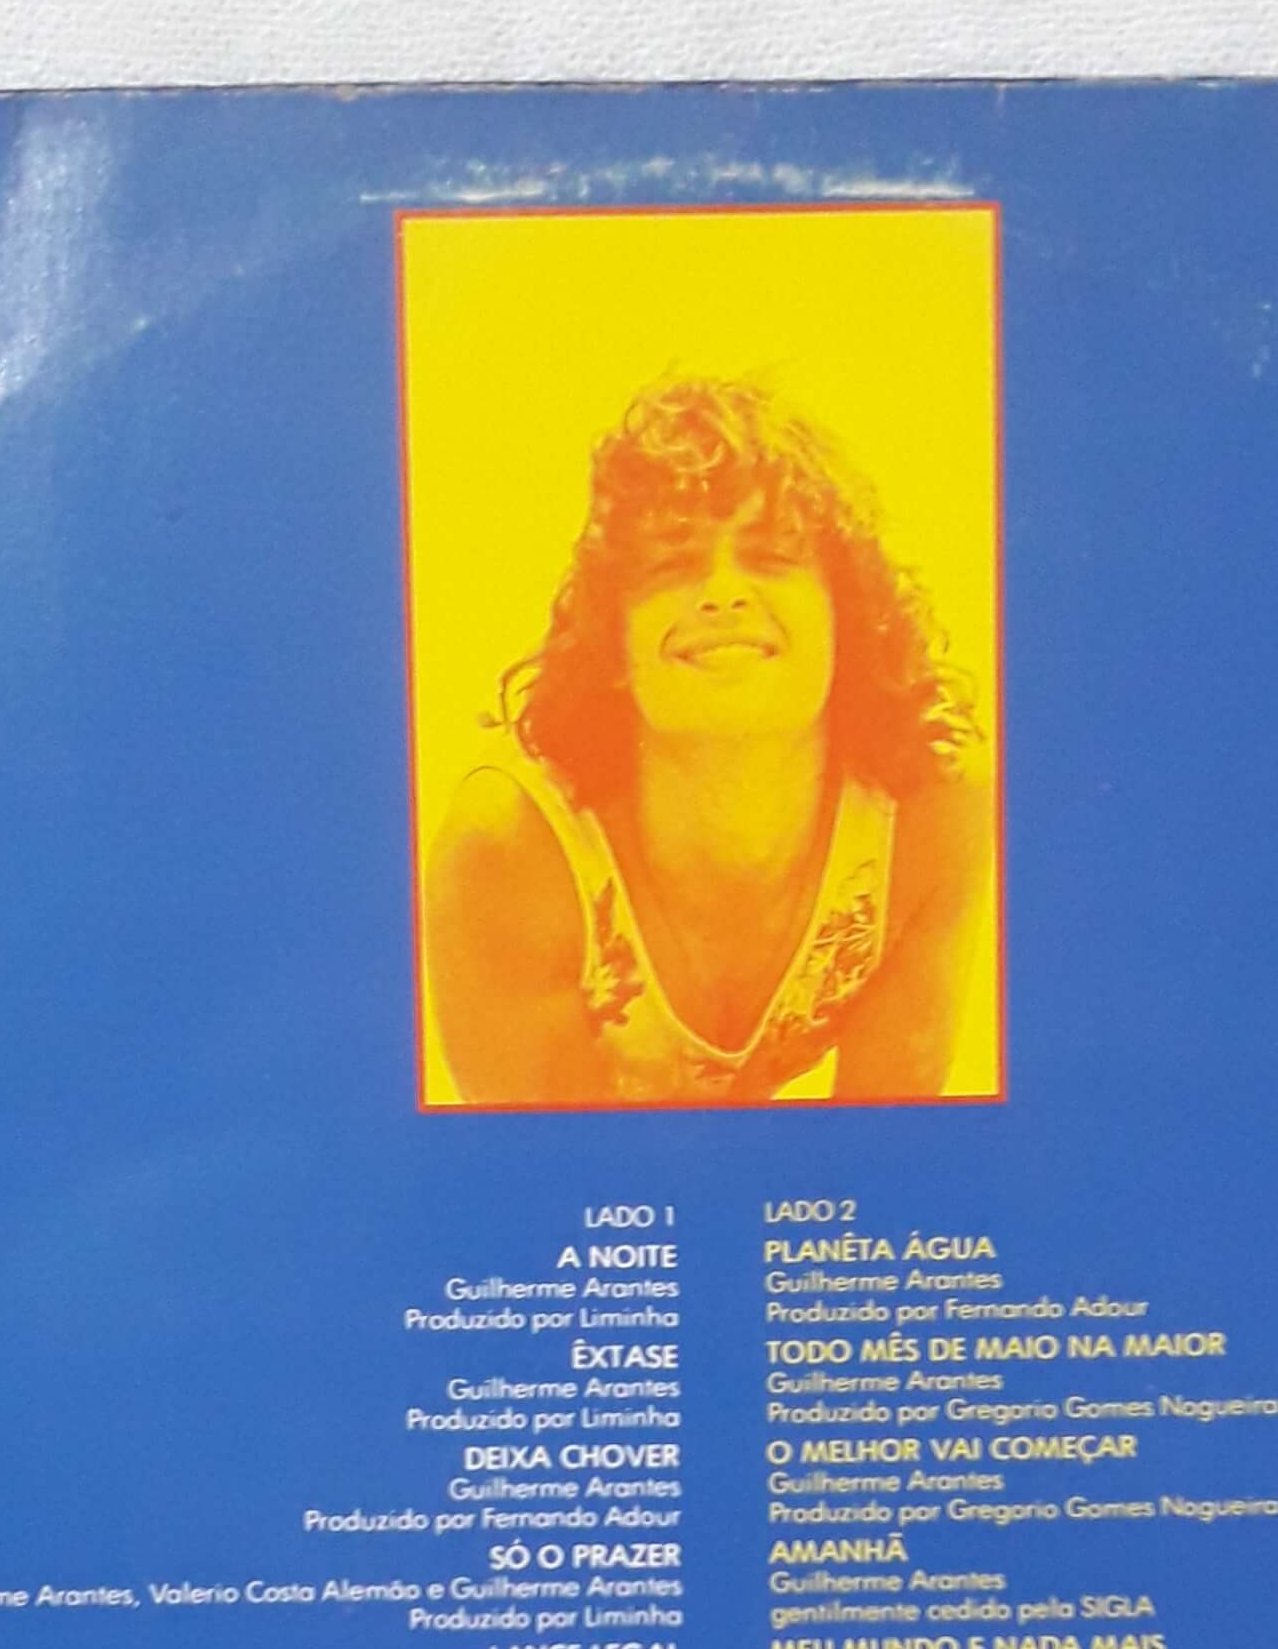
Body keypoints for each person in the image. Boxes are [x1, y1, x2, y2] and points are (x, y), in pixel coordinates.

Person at [425, 378, 994, 1105]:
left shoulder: (929, 804)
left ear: (846, 617)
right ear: (614, 642)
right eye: (673, 566)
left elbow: (889, 1147)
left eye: (771, 557)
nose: (723, 592)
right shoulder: (513, 846)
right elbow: (546, 1165)